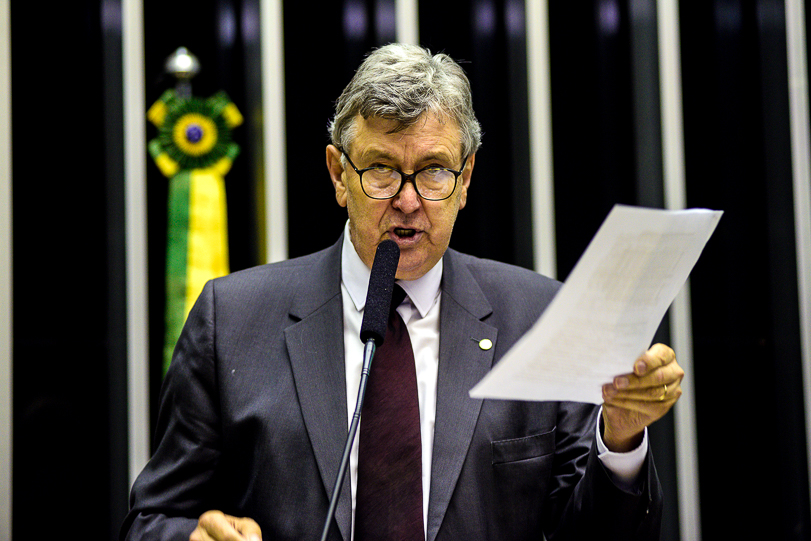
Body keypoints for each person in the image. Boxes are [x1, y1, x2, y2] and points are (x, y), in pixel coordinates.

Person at [122, 43, 684, 541]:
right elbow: (151, 519)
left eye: (434, 171)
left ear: (466, 179)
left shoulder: (539, 318)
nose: (409, 201)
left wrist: (621, 440)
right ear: (338, 174)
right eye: (382, 170)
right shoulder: (232, 320)